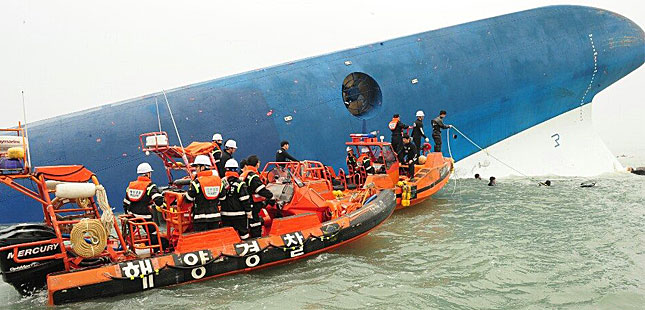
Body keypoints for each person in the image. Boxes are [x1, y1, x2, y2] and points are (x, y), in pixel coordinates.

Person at [123, 163, 164, 245]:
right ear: (148, 174)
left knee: (130, 232)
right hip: (145, 216)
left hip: (132, 215)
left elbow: (126, 202)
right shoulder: (150, 186)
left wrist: (128, 214)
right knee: (153, 232)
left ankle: (127, 245)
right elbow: (158, 201)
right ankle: (156, 249)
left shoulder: (131, 185)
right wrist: (162, 204)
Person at [185, 155, 222, 232]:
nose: (196, 169)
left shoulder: (197, 182)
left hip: (200, 219)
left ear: (202, 167)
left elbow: (188, 199)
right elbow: (223, 197)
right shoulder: (218, 180)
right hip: (215, 218)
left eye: (197, 167)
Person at [241, 155, 275, 238]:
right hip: (252, 204)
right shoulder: (253, 176)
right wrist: (271, 196)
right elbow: (260, 190)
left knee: (250, 222)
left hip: (246, 203)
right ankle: (257, 238)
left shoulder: (244, 174)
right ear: (257, 164)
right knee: (255, 223)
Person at [220, 159, 252, 240]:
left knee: (228, 237)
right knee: (244, 235)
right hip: (239, 215)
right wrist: (249, 212)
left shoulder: (221, 182)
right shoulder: (240, 183)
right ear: (236, 170)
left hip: (225, 216)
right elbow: (245, 199)